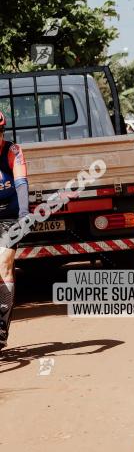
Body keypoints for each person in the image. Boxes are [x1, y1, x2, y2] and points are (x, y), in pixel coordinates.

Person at [0, 111, 30, 351]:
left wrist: (24, 215)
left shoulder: (13, 151)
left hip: (10, 216)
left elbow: (20, 182)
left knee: (5, 264)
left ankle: (1, 326)